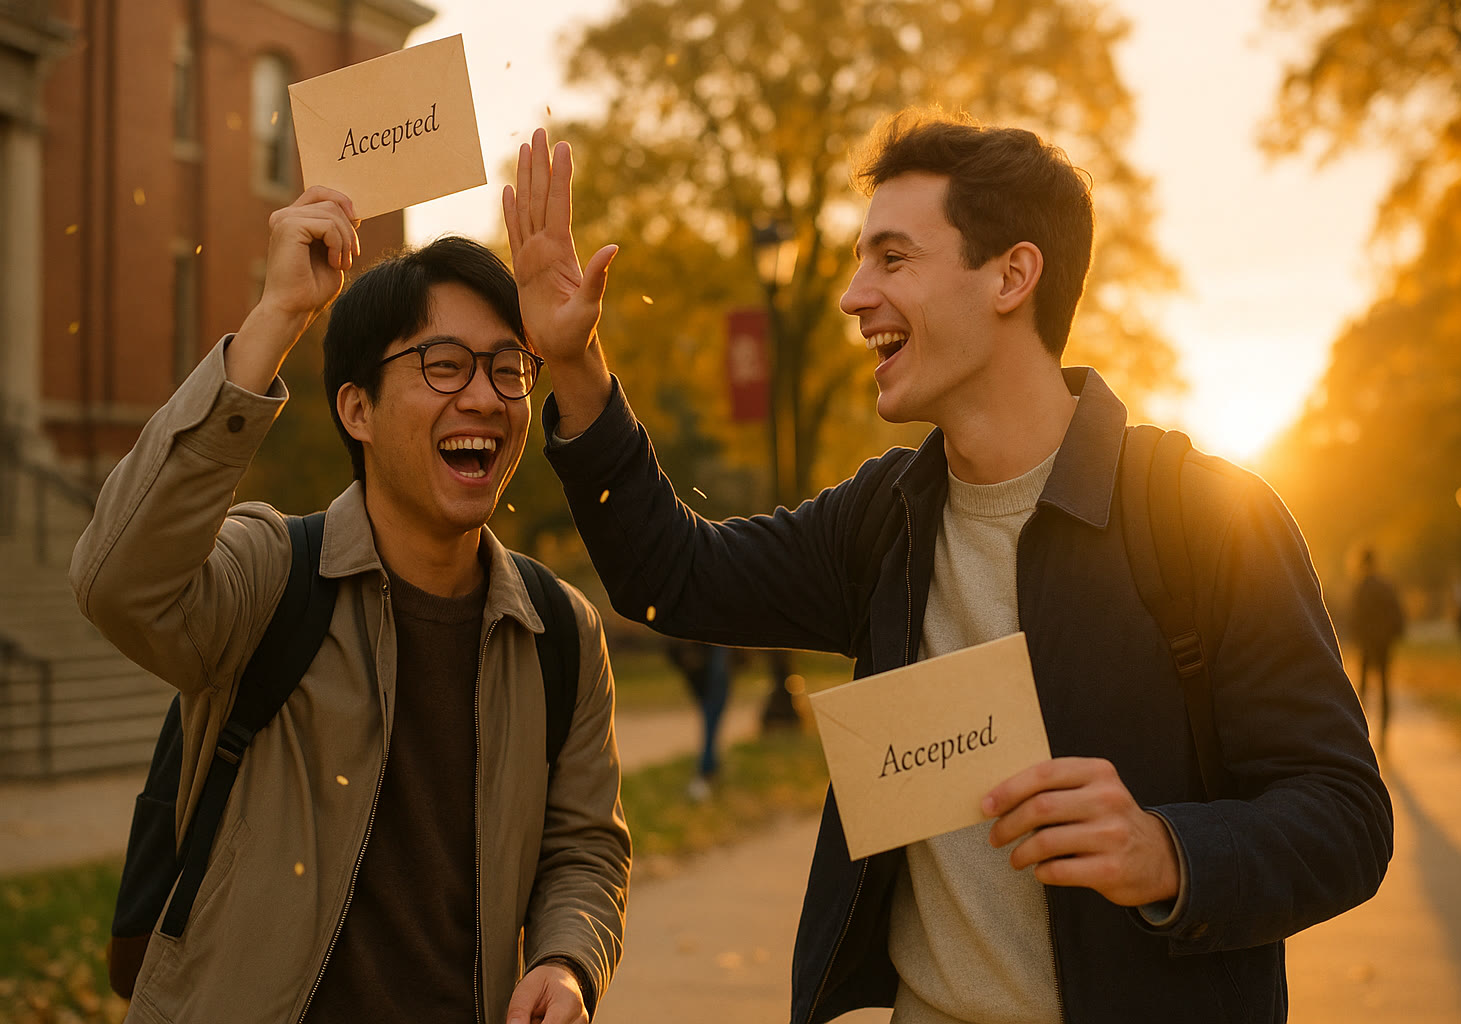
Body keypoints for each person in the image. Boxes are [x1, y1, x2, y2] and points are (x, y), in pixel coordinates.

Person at [509, 115, 1392, 1023]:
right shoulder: (884, 517)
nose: (854, 296)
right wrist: (575, 364)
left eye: (892, 260)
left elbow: (1347, 818)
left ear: (1012, 275)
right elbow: (675, 573)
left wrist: (1169, 851)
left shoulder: (1203, 516)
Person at [70, 188, 629, 1024]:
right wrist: (277, 314)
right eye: (444, 364)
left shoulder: (562, 634)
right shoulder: (269, 575)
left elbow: (585, 847)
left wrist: (567, 959)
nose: (484, 397)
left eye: (507, 367)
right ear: (356, 408)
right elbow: (118, 581)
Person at [664, 639, 734, 798]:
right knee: (712, 714)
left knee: (712, 716)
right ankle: (707, 767)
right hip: (706, 657)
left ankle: (710, 765)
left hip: (707, 661)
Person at [1351, 547, 1406, 739]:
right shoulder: (1385, 585)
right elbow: (1397, 613)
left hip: (1368, 644)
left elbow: (1355, 618)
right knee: (1383, 685)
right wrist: (1395, 635)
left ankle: (1360, 731)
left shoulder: (1361, 587)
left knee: (1363, 688)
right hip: (1383, 643)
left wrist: (1356, 638)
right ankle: (1384, 728)